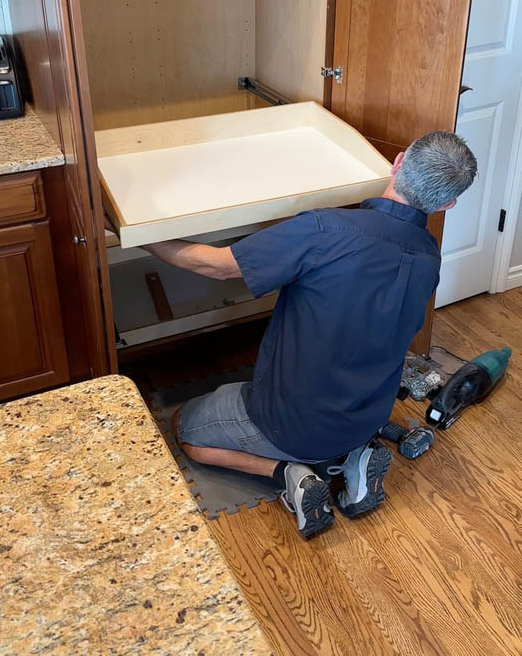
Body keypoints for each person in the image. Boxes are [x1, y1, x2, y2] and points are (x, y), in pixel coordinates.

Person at [144, 131, 477, 538]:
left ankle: (287, 472)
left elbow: (216, 265)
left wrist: (140, 238)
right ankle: (353, 458)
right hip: (369, 416)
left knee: (186, 428)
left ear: (398, 162)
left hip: (289, 425)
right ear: (447, 204)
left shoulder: (325, 230)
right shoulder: (429, 257)